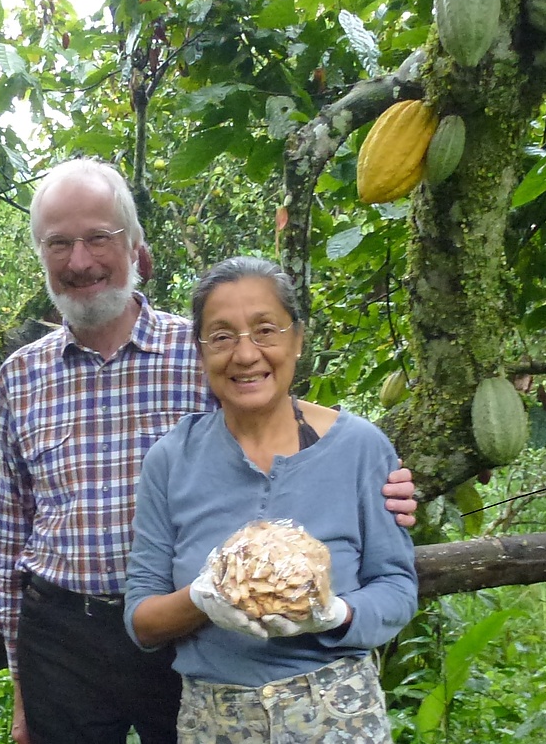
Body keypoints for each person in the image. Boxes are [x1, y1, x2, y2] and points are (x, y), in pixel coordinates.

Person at [0, 159, 419, 744]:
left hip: (192, 635)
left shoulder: (200, 350)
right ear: (40, 254)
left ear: (136, 246)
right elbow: (15, 530)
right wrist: (22, 686)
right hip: (67, 631)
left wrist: (382, 487)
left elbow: (287, 436)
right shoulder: (21, 375)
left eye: (98, 237)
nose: (80, 260)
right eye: (58, 243)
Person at [125, 256, 418, 742]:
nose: (245, 354)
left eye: (265, 330)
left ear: (298, 339)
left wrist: (338, 613)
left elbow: (397, 588)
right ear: (201, 352)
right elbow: (142, 619)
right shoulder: (171, 460)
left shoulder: (361, 449)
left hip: (339, 713)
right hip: (214, 720)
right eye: (221, 336)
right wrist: (205, 599)